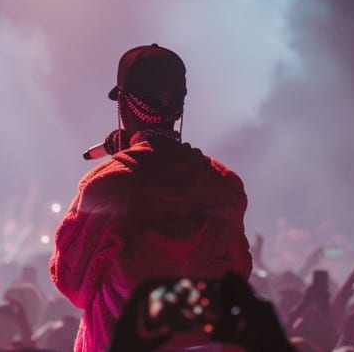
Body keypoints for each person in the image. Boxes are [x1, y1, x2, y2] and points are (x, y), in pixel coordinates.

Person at [50, 43, 253, 351]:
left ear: (123, 105)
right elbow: (239, 273)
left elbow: (71, 281)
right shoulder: (223, 185)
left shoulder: (108, 185)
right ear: (180, 107)